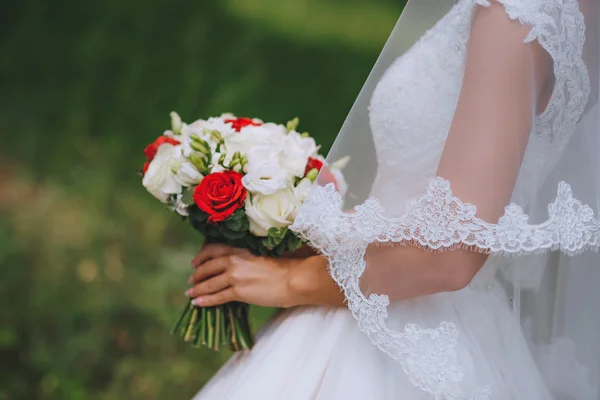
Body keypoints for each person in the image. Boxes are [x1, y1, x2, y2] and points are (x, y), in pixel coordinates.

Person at [192, 1, 600, 398]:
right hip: (427, 303)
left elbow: (452, 253)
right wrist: (296, 232)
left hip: (407, 329)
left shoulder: (517, 14)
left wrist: (290, 281)